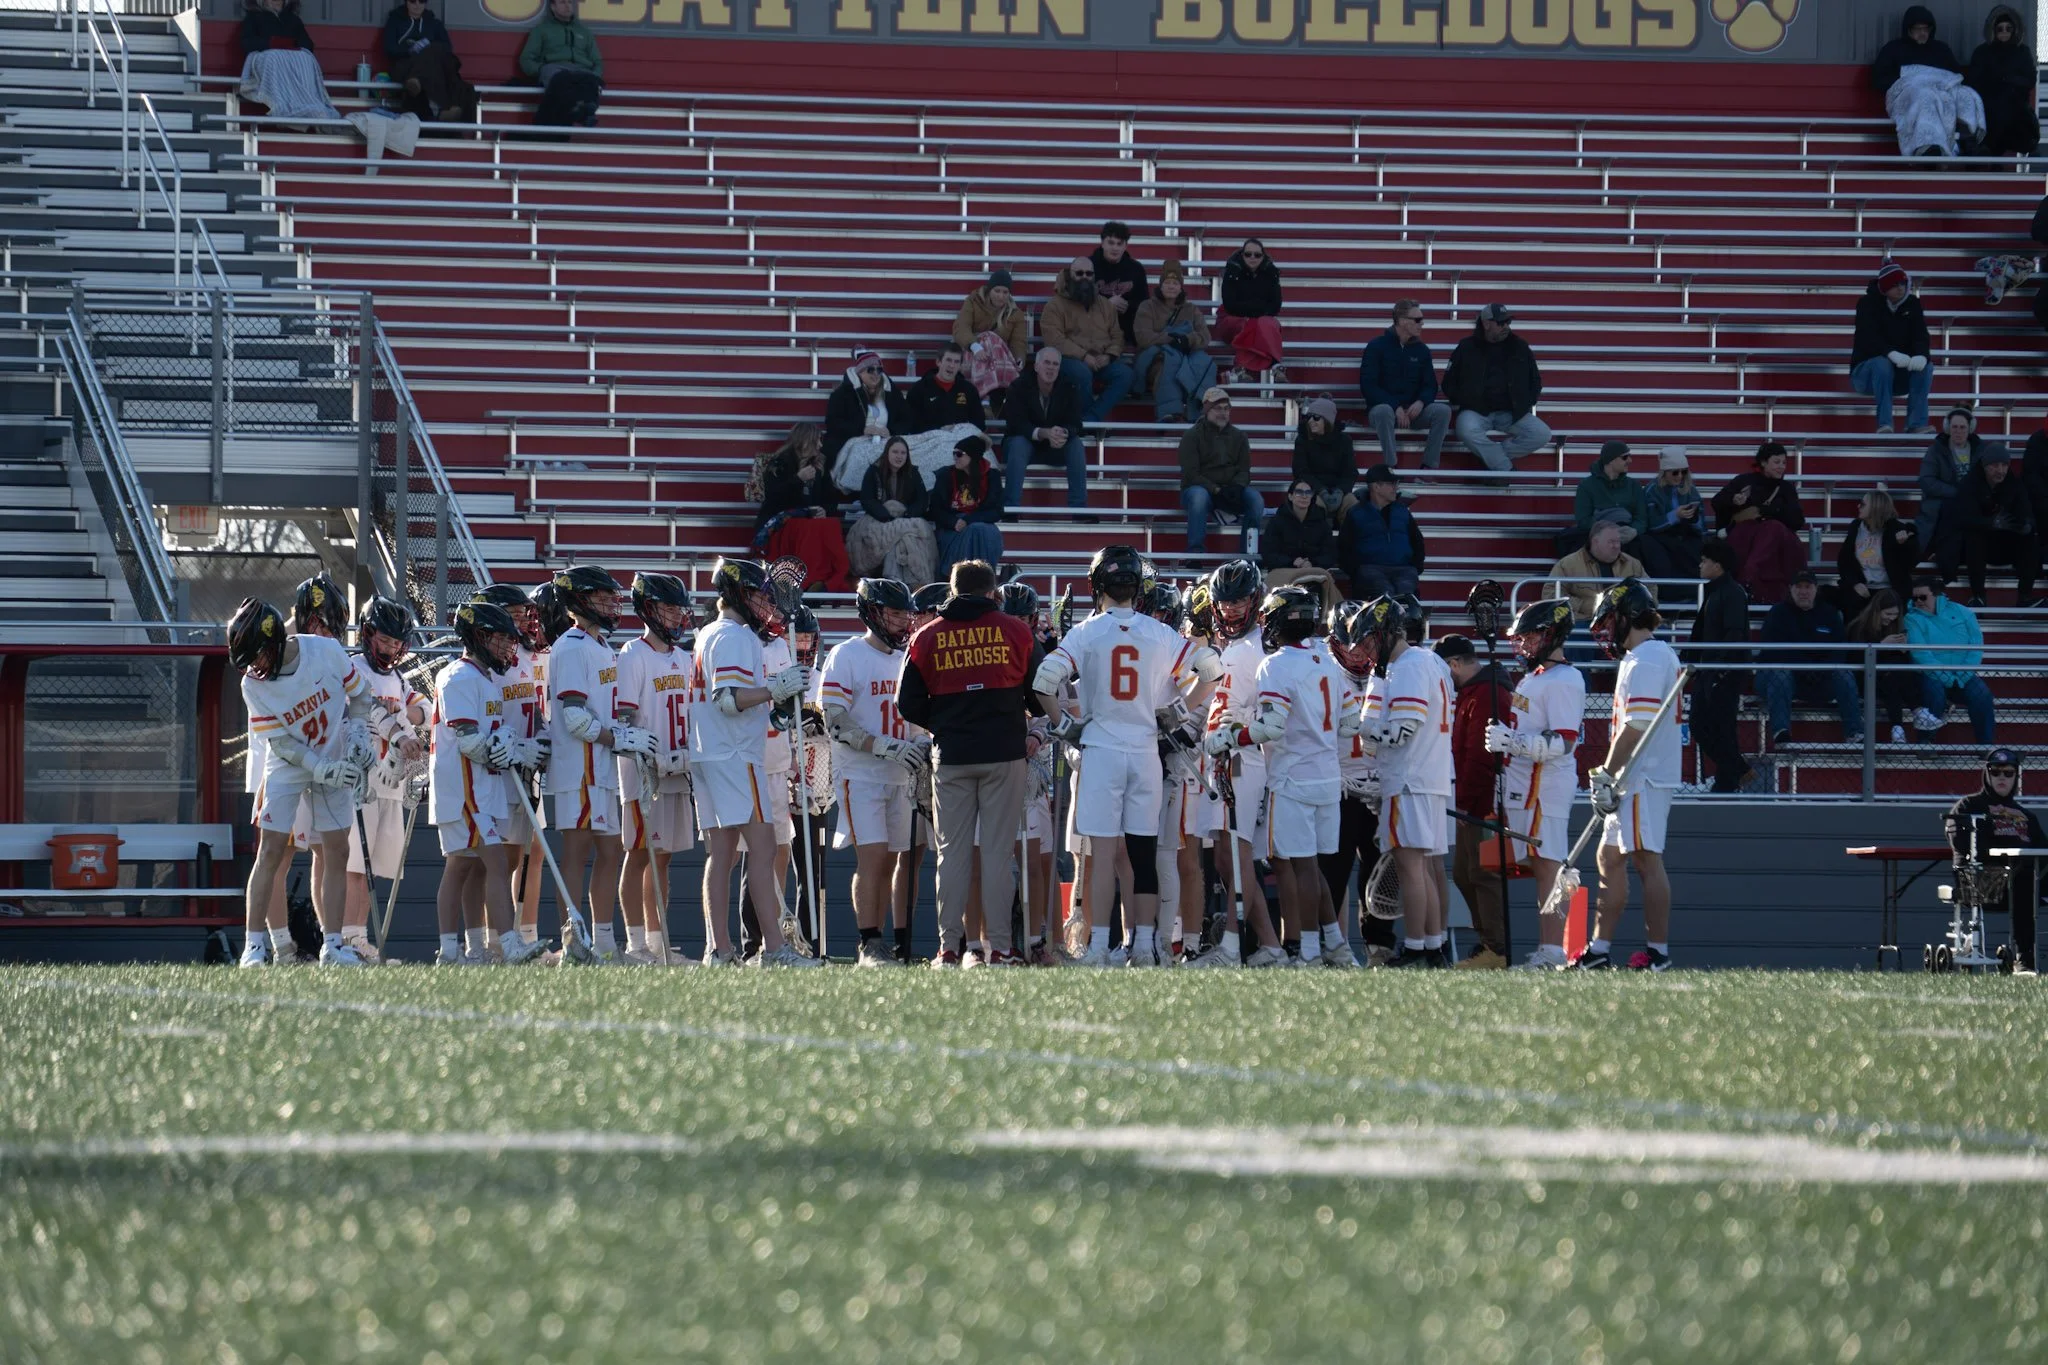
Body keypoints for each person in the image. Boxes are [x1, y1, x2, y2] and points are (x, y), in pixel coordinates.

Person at [1034, 546, 1208, 967]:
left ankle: (1097, 946)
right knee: (1143, 853)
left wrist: (1063, 725)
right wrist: (1177, 712)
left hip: (1102, 750)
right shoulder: (1159, 632)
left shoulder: (1088, 632)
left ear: (1099, 586)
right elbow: (1212, 669)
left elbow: (1044, 681)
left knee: (1101, 853)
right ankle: (1145, 945)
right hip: (1145, 751)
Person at [899, 560, 1046, 968]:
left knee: (951, 854)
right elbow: (1040, 693)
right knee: (998, 854)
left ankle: (949, 948)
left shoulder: (927, 636)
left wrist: (946, 724)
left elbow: (906, 702)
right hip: (1004, 752)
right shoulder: (1018, 631)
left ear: (952, 590)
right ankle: (999, 947)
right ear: (993, 591)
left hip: (952, 756)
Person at [1207, 586, 1350, 966]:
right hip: (1328, 776)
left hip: (1293, 776)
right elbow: (1350, 723)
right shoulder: (1327, 657)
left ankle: (1308, 952)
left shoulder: (1275, 664)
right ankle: (1336, 942)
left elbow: (1270, 727)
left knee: (1300, 864)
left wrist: (1229, 736)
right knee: (1311, 865)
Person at [688, 558, 820, 969]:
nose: (766, 603)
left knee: (721, 855)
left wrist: (778, 705)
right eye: (760, 595)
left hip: (709, 753)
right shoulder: (734, 636)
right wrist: (775, 689)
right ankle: (776, 951)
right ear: (739, 594)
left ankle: (720, 949)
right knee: (764, 851)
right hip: (734, 754)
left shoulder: (710, 633)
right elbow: (728, 699)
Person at [228, 597, 374, 967]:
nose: (254, 668)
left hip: (331, 747)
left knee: (337, 849)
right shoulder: (253, 685)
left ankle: (334, 944)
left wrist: (358, 734)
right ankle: (254, 945)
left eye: (256, 656)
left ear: (276, 640)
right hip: (288, 762)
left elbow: (360, 695)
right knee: (270, 850)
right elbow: (280, 742)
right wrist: (320, 768)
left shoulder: (325, 651)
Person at [421, 600, 550, 968]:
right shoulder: (458, 677)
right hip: (464, 788)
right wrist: (506, 749)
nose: (508, 647)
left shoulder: (483, 678)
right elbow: (469, 740)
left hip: (480, 787)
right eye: (499, 639)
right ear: (478, 637)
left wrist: (520, 746)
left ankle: (466, 948)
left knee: (466, 867)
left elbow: (492, 736)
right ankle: (506, 944)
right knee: (491, 863)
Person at [542, 567, 653, 962]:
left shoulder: (600, 645)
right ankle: (574, 938)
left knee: (611, 853)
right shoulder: (571, 646)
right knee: (577, 852)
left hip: (602, 764)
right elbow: (574, 718)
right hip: (582, 765)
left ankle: (604, 941)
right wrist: (618, 738)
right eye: (602, 598)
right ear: (578, 602)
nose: (611, 604)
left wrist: (620, 736)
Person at [814, 579, 926, 968]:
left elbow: (917, 717)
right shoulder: (847, 655)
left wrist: (921, 742)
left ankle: (900, 944)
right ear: (873, 613)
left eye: (905, 614)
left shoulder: (908, 656)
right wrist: (883, 745)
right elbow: (835, 720)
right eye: (894, 614)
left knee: (899, 861)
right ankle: (869, 943)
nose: (902, 622)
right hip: (862, 773)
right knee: (874, 859)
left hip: (904, 775)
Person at [1578, 580, 1682, 971]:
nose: (1606, 630)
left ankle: (1657, 953)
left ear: (1627, 616)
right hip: (1635, 776)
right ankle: (1599, 950)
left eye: (1610, 621)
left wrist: (1606, 771)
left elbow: (1636, 725)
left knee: (1645, 860)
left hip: (1644, 776)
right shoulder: (1643, 657)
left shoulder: (1647, 659)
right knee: (1610, 858)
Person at [1188, 560, 1285, 968]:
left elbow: (1269, 711)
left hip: (1243, 758)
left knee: (1237, 851)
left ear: (1255, 599)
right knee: (1228, 857)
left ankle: (1231, 947)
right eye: (1224, 600)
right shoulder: (1234, 647)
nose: (1229, 608)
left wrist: (1240, 727)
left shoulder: (1258, 649)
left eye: (1239, 599)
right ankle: (1270, 945)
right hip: (1224, 757)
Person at [1485, 598, 1585, 971]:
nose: (1523, 644)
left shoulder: (1564, 679)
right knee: (1541, 866)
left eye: (1529, 636)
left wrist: (1512, 742)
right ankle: (1551, 949)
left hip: (1546, 787)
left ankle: (1556, 951)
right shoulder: (1538, 676)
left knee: (1550, 867)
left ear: (1551, 634)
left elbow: (1564, 742)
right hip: (1525, 783)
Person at [1359, 595, 1455, 967]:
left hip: (1410, 778)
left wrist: (1365, 728)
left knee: (1411, 868)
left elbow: (1401, 731)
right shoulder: (1429, 661)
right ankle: (1432, 945)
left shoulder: (1408, 666)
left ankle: (1417, 947)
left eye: (1368, 640)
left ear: (1383, 634)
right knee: (1424, 867)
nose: (1366, 650)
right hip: (1428, 776)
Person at [612, 573, 695, 966]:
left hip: (678, 770)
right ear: (647, 608)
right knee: (640, 852)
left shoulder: (684, 657)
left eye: (679, 607)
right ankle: (634, 943)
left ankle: (658, 942)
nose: (677, 615)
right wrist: (652, 758)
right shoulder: (632, 654)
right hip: (644, 773)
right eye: (668, 606)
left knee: (663, 856)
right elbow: (624, 720)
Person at [345, 597, 427, 963]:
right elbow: (368, 712)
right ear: (367, 634)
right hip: (361, 778)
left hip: (392, 781)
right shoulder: (354, 670)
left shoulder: (397, 677)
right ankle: (349, 938)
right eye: (386, 640)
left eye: (397, 643)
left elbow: (426, 709)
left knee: (376, 867)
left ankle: (361, 939)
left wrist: (404, 711)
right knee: (355, 864)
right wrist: (397, 725)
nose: (391, 648)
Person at [1321, 601, 1398, 967]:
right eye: (1347, 642)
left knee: (1378, 873)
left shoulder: (1389, 674)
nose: (1354, 651)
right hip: (1338, 787)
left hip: (1378, 788)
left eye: (1361, 641)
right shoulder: (1323, 672)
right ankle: (1329, 945)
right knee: (1332, 872)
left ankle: (1379, 947)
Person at [1440, 633, 1513, 969]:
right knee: (1467, 873)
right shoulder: (1477, 691)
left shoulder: (1486, 693)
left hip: (1486, 801)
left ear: (1455, 664)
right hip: (1476, 798)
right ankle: (1490, 944)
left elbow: (1483, 754)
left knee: (1482, 874)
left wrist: (1471, 804)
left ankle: (1495, 949)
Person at [1944, 746, 2040, 974]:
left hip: (2021, 881)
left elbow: (2041, 850)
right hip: (1979, 880)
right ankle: (2023, 957)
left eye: (2008, 773)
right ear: (1987, 774)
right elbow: (1960, 841)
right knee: (2024, 880)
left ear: (2016, 776)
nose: (2002, 778)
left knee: (2028, 879)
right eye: (1996, 772)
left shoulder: (2028, 816)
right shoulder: (1968, 806)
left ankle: (2025, 957)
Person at [1758, 570, 1863, 748]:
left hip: (1820, 678)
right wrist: (1804, 667)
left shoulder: (1830, 614)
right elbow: (1772, 652)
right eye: (1798, 587)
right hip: (1783, 677)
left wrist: (1820, 669)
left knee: (1844, 674)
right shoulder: (1777, 613)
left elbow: (1840, 651)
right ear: (1790, 589)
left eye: (1808, 587)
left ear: (1816, 589)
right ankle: (1781, 732)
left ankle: (1855, 733)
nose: (1803, 591)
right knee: (1780, 674)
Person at [1443, 302, 1549, 473]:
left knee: (1542, 434)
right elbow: (1448, 384)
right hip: (1476, 411)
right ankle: (1503, 465)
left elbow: (1535, 381)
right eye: (1501, 323)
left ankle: (1493, 459)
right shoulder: (1466, 347)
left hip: (1511, 412)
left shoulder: (1520, 347)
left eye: (1508, 322)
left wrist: (1525, 403)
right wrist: (1468, 400)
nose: (1506, 326)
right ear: (1486, 324)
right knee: (1465, 430)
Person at [754, 423, 851, 594]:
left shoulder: (819, 467)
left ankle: (826, 580)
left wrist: (823, 510)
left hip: (807, 522)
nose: (820, 446)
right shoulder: (779, 464)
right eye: (816, 441)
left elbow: (831, 499)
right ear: (805, 442)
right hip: (780, 523)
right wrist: (798, 479)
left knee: (831, 524)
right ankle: (807, 580)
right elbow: (773, 498)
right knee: (809, 528)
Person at [1873, 6, 1983, 157]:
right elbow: (1879, 79)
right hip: (1912, 94)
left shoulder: (1941, 50)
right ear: (1908, 29)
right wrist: (1913, 80)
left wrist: (1937, 82)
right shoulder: (1893, 50)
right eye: (1918, 29)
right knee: (1925, 96)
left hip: (1942, 92)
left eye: (1926, 29)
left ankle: (1968, 140)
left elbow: (1956, 76)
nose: (1922, 33)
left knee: (1966, 94)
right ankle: (1927, 147)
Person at [1937, 444, 2038, 608]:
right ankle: (1978, 595)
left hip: (2004, 543)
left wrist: (2026, 524)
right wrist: (1990, 523)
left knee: (2030, 537)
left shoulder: (2014, 483)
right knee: (1974, 536)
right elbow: (1963, 519)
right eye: (1995, 465)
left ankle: (2025, 597)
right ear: (1985, 466)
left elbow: (2025, 510)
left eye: (2004, 465)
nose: (2001, 470)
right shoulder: (1970, 483)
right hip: (1975, 547)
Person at [1692, 538, 1756, 792]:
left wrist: (1720, 669)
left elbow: (1734, 634)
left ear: (1717, 565)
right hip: (1709, 671)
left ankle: (1727, 781)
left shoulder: (1731, 593)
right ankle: (1736, 771)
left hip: (1723, 674)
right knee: (1703, 725)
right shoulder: (1716, 591)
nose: (1700, 565)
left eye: (1705, 560)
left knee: (1720, 728)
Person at [1711, 441, 1806, 606]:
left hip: (1774, 543)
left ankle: (1748, 578)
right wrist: (1733, 500)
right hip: (1746, 539)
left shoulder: (1786, 489)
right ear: (1763, 462)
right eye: (1777, 462)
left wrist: (1765, 512)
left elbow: (1797, 520)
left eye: (1784, 462)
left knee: (1773, 529)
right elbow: (1717, 502)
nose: (1781, 467)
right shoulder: (1744, 481)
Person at [1040, 257, 1134, 423]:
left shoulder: (1105, 305)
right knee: (1082, 373)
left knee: (1126, 374)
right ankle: (1091, 422)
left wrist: (1110, 356)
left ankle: (1091, 418)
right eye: (1079, 273)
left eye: (1089, 273)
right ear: (1070, 275)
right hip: (1070, 360)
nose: (1085, 277)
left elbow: (1117, 335)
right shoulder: (1054, 306)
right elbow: (1054, 340)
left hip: (1101, 359)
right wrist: (1084, 356)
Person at [1357, 299, 1449, 469]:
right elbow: (1368, 386)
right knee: (1384, 411)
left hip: (1414, 411)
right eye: (1417, 320)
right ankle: (1391, 468)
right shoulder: (1376, 346)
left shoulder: (1422, 350)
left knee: (1442, 411)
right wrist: (1395, 406)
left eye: (1422, 319)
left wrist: (1421, 402)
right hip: (1384, 410)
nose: (1422, 324)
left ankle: (1428, 467)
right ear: (1402, 320)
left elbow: (1430, 385)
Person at [1906, 577, 1996, 742]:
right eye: (1915, 598)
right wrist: (1946, 676)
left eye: (1923, 597)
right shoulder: (1911, 619)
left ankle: (1985, 746)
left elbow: (1976, 645)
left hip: (1963, 675)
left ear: (1937, 595)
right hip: (1931, 674)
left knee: (1982, 695)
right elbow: (1920, 653)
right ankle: (1925, 744)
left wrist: (1962, 674)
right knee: (1935, 693)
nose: (1918, 601)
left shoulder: (1963, 612)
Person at [1003, 346, 1089, 514]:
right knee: (1019, 443)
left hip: (1055, 446)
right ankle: (1011, 508)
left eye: (1055, 364)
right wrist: (1043, 433)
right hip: (1023, 445)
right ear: (1036, 366)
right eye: (1047, 363)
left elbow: (1076, 423)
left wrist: (1062, 433)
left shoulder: (1069, 386)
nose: (1051, 368)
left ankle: (1079, 509)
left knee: (1076, 444)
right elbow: (1016, 423)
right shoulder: (1018, 386)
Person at [1178, 387, 1263, 557]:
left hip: (1231, 489)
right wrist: (1216, 490)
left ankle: (1247, 554)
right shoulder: (1191, 436)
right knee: (1198, 497)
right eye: (1218, 408)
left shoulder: (1239, 436)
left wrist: (1237, 487)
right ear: (1207, 410)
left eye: (1226, 408)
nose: (1223, 413)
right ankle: (1195, 552)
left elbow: (1244, 469)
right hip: (1200, 488)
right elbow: (1191, 474)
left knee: (1256, 500)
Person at [1851, 261, 1934, 434]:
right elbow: (1867, 337)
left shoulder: (1913, 304)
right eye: (1895, 285)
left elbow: (1921, 335)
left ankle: (1916, 423)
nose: (1900, 289)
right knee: (1882, 364)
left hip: (1898, 375)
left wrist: (1922, 355)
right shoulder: (1867, 304)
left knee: (1926, 366)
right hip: (1866, 375)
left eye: (1903, 284)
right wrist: (1890, 353)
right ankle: (1885, 423)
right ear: (1884, 287)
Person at [1133, 260, 1217, 425]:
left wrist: (1187, 340)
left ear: (1181, 287)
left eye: (1175, 283)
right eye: (1167, 282)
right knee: (1170, 361)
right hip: (1157, 358)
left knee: (1204, 362)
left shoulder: (1191, 309)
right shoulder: (1147, 307)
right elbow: (1143, 336)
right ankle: (1169, 412)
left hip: (1186, 354)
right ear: (1161, 285)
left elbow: (1204, 337)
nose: (1171, 286)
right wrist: (1172, 339)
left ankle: (1200, 409)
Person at [847, 435, 936, 587]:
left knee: (907, 538)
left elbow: (921, 501)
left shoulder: (912, 473)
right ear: (887, 453)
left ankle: (904, 581)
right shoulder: (874, 471)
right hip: (879, 519)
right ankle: (899, 581)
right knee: (902, 535)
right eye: (895, 452)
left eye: (903, 453)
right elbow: (867, 499)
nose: (899, 456)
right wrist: (886, 514)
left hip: (905, 518)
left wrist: (907, 513)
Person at [238, 0, 338, 124]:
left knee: (306, 58)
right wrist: (269, 43)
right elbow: (247, 43)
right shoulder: (253, 17)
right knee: (274, 57)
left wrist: (293, 45)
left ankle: (305, 101)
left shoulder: (293, 20)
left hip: (291, 59)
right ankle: (280, 102)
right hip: (268, 57)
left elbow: (308, 44)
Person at [1342, 463, 1426, 600]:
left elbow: (1418, 542)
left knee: (1408, 597)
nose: (1396, 487)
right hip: (1370, 570)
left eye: (1396, 483)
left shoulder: (1403, 511)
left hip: (1404, 570)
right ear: (1376, 487)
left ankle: (1408, 621)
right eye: (1391, 483)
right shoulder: (1355, 513)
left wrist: (1415, 567)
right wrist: (1356, 571)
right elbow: (1344, 547)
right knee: (1385, 596)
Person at [823, 349, 910, 483]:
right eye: (870, 370)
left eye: (879, 370)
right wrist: (862, 429)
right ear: (860, 372)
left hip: (887, 440)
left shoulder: (892, 393)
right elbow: (833, 423)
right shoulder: (843, 394)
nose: (875, 374)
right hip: (855, 439)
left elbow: (906, 419)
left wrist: (891, 431)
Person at [382, 0, 474, 122]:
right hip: (404, 65)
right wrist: (409, 50)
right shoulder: (395, 21)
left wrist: (427, 48)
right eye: (413, 1)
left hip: (430, 68)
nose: (417, 5)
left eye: (421, 1)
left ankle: (417, 80)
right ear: (406, 2)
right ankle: (447, 107)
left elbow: (447, 48)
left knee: (436, 51)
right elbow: (389, 48)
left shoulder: (434, 24)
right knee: (438, 66)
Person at [1832, 486, 1918, 618]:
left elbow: (1909, 564)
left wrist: (1904, 545)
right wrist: (1855, 583)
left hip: (1889, 590)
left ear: (1876, 507)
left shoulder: (1898, 529)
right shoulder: (1856, 527)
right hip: (1863, 589)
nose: (1858, 506)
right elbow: (1844, 561)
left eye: (1863, 504)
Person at [952, 269, 1031, 412]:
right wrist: (975, 346)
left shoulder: (1015, 313)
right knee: (987, 338)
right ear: (990, 290)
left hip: (998, 359)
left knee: (992, 340)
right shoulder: (973, 302)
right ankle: (984, 397)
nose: (1001, 296)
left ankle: (990, 399)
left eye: (1005, 292)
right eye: (997, 291)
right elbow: (961, 327)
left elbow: (1018, 342)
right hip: (972, 354)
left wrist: (1020, 358)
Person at [926, 434, 1005, 574]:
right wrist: (954, 521)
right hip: (952, 527)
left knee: (980, 530)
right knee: (978, 531)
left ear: (973, 456)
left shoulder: (991, 476)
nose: (955, 457)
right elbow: (935, 509)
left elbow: (996, 511)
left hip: (977, 522)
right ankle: (979, 577)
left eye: (959, 454)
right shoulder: (946, 475)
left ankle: (978, 578)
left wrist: (968, 520)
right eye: (954, 453)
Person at [1967, 6, 2040, 157]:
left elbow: (2029, 79)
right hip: (1988, 105)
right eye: (2000, 29)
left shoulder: (2022, 52)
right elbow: (1973, 82)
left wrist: (2007, 80)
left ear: (2015, 30)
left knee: (2013, 114)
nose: (2005, 32)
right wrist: (1998, 83)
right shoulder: (1982, 53)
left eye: (2009, 28)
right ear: (1993, 30)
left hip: (2016, 106)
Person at [519, 0, 604, 129]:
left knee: (591, 79)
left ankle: (581, 111)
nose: (567, 6)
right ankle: (582, 113)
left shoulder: (585, 32)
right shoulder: (541, 30)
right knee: (560, 78)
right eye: (562, 2)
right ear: (553, 7)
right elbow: (526, 60)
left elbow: (597, 62)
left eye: (570, 2)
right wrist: (541, 70)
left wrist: (595, 75)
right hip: (555, 69)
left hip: (581, 71)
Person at [1848, 589, 1919, 744]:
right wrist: (1880, 646)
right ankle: (1916, 713)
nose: (1892, 619)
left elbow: (1900, 661)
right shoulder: (1859, 627)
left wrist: (1903, 651)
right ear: (1877, 611)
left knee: (1895, 673)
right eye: (1888, 614)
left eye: (1895, 615)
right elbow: (1854, 659)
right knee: (1893, 675)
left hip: (1890, 679)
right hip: (1865, 678)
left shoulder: (1896, 626)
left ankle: (1899, 728)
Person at [1548, 514, 1646, 623]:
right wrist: (1587, 606)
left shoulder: (1633, 564)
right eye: (1611, 542)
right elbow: (1551, 594)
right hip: (1584, 623)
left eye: (1618, 541)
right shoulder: (1567, 564)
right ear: (1595, 542)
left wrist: (1633, 606)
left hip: (1625, 624)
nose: (1617, 546)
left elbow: (1650, 589)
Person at [1216, 238, 1285, 383]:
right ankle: (1262, 365)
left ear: (1263, 256)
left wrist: (1252, 310)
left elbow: (1275, 307)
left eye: (1257, 255)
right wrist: (1258, 308)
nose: (1252, 258)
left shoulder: (1271, 274)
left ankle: (1271, 365)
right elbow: (1230, 305)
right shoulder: (1232, 272)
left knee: (1269, 323)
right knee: (1249, 323)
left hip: (1256, 319)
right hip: (1231, 320)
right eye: (1248, 254)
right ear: (1242, 255)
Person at [1917, 407, 1989, 547]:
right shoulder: (1935, 450)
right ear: (1947, 428)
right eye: (1954, 427)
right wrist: (1955, 492)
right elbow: (1926, 481)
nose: (1958, 431)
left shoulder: (1980, 450)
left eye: (1962, 427)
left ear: (1970, 429)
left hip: (1971, 502)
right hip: (1943, 502)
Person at [1638, 446, 1708, 587]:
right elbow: (1651, 523)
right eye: (1675, 472)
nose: (1680, 476)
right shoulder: (1652, 490)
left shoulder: (1691, 489)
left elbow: (1701, 525)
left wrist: (1692, 518)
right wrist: (1674, 516)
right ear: (1664, 472)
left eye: (1684, 472)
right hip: (1661, 537)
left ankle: (1691, 592)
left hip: (1687, 533)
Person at [1262, 478, 1338, 605]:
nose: (1304, 496)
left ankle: (1328, 619)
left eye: (1308, 493)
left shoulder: (1321, 523)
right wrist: (1292, 562)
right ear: (1290, 496)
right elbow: (1268, 554)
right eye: (1299, 492)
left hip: (1314, 570)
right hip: (1283, 570)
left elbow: (1331, 554)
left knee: (1323, 581)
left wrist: (1312, 562)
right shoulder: (1277, 522)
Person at [1292, 397, 1358, 519]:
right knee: (1313, 505)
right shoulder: (1302, 440)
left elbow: (1350, 472)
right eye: (1309, 417)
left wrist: (1340, 491)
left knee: (1353, 506)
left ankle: (1348, 538)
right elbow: (1300, 471)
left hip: (1339, 490)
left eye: (1316, 417)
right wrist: (1320, 490)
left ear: (1327, 421)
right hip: (1313, 490)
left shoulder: (1344, 441)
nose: (1311, 421)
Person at [1570, 441, 1648, 545]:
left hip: (1629, 537)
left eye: (1630, 456)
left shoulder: (1634, 485)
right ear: (1611, 460)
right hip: (1597, 536)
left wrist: (1633, 531)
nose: (1630, 460)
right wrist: (1607, 532)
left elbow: (1641, 518)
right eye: (1625, 457)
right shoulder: (1587, 486)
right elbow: (1584, 519)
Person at [902, 343, 987, 437]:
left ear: (960, 366)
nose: (952, 365)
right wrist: (939, 430)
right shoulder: (919, 389)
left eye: (956, 362)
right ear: (938, 362)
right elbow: (911, 424)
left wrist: (959, 430)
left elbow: (979, 424)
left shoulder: (969, 390)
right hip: (929, 441)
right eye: (948, 360)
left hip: (961, 441)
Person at [1091, 221, 1148, 352]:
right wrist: (1106, 304)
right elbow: (1078, 300)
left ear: (1125, 245)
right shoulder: (1088, 266)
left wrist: (1128, 305)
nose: (1115, 248)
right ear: (1102, 242)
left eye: (1119, 243)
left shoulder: (1136, 269)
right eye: (1111, 243)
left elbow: (1145, 303)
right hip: (1093, 328)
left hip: (1125, 329)